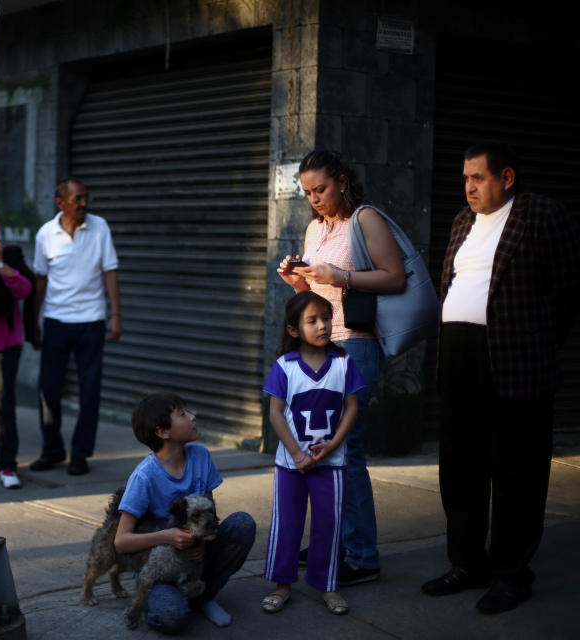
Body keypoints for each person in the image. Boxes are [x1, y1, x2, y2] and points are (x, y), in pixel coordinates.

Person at [422, 142, 578, 614]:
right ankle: (468, 562)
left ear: (506, 177)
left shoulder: (539, 214)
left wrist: (534, 342)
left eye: (479, 178)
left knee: (517, 471)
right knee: (461, 468)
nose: (469, 187)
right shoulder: (461, 222)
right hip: (460, 361)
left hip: (514, 361)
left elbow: (567, 289)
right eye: (465, 178)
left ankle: (512, 573)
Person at [277, 149, 404, 586]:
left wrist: (340, 277)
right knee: (324, 451)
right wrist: (298, 282)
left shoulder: (364, 219)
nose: (314, 198)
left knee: (346, 453)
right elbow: (318, 292)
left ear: (343, 181)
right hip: (322, 351)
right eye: (307, 192)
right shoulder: (315, 228)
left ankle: (363, 556)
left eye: (321, 189)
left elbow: (394, 277)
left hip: (356, 348)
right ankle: (341, 542)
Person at [114, 392, 255, 634]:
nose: (192, 417)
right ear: (162, 432)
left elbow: (211, 510)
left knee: (242, 524)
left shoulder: (201, 456)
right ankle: (174, 596)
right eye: (182, 414)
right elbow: (121, 542)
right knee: (171, 618)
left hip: (196, 558)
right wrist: (167, 537)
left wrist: (201, 542)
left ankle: (206, 596)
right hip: (161, 567)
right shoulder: (144, 477)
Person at [261, 291, 364, 616]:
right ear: (293, 329)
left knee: (329, 525)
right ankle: (282, 585)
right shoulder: (284, 367)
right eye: (312, 320)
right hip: (291, 465)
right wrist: (297, 454)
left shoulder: (343, 363)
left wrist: (333, 445)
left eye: (326, 318)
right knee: (287, 523)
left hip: (330, 464)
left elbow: (352, 407)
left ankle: (328, 585)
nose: (322, 325)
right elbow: (276, 414)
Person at [30, 178, 122, 476]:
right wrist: (35, 320)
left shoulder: (99, 227)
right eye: (77, 199)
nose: (84, 204)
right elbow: (40, 280)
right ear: (61, 203)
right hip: (56, 321)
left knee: (90, 391)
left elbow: (110, 272)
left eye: (85, 198)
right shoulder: (46, 234)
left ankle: (81, 453)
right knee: (49, 390)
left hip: (91, 321)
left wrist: (115, 314)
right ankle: (52, 449)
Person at [0, 213, 33, 488]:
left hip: (4, 344)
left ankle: (7, 464)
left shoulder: (11, 254)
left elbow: (25, 289)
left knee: (1, 405)